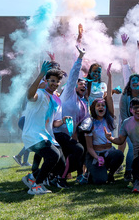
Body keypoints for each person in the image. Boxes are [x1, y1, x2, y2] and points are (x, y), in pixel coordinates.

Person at [21, 62, 68, 195]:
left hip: (46, 135)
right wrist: (41, 74)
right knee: (53, 155)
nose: (55, 83)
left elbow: (54, 123)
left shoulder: (55, 100)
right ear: (46, 81)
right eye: (52, 80)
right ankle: (37, 185)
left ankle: (32, 178)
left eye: (57, 81)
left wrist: (63, 121)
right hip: (33, 135)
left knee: (59, 159)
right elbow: (30, 95)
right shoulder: (40, 94)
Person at [84, 64, 123, 184]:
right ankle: (89, 171)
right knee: (100, 181)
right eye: (94, 71)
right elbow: (86, 94)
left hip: (107, 151)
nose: (97, 74)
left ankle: (110, 173)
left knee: (118, 154)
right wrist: (97, 157)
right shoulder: (89, 122)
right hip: (95, 152)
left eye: (99, 72)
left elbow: (109, 98)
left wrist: (109, 77)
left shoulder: (109, 118)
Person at [55, 45, 88, 183]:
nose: (83, 85)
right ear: (74, 86)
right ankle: (46, 176)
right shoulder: (69, 94)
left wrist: (77, 130)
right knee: (58, 156)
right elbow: (74, 74)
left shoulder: (83, 104)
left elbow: (84, 119)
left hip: (67, 135)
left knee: (77, 150)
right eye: (81, 84)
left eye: (85, 85)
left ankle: (61, 176)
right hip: (56, 131)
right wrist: (80, 57)